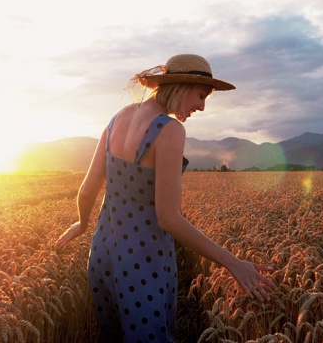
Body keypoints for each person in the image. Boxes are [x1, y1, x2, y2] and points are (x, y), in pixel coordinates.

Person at [56, 54, 276, 342]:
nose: (202, 106)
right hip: (144, 261)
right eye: (201, 95)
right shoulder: (170, 130)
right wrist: (233, 262)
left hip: (102, 255)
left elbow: (87, 190)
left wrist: (83, 224)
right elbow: (168, 218)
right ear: (182, 86)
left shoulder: (115, 120)